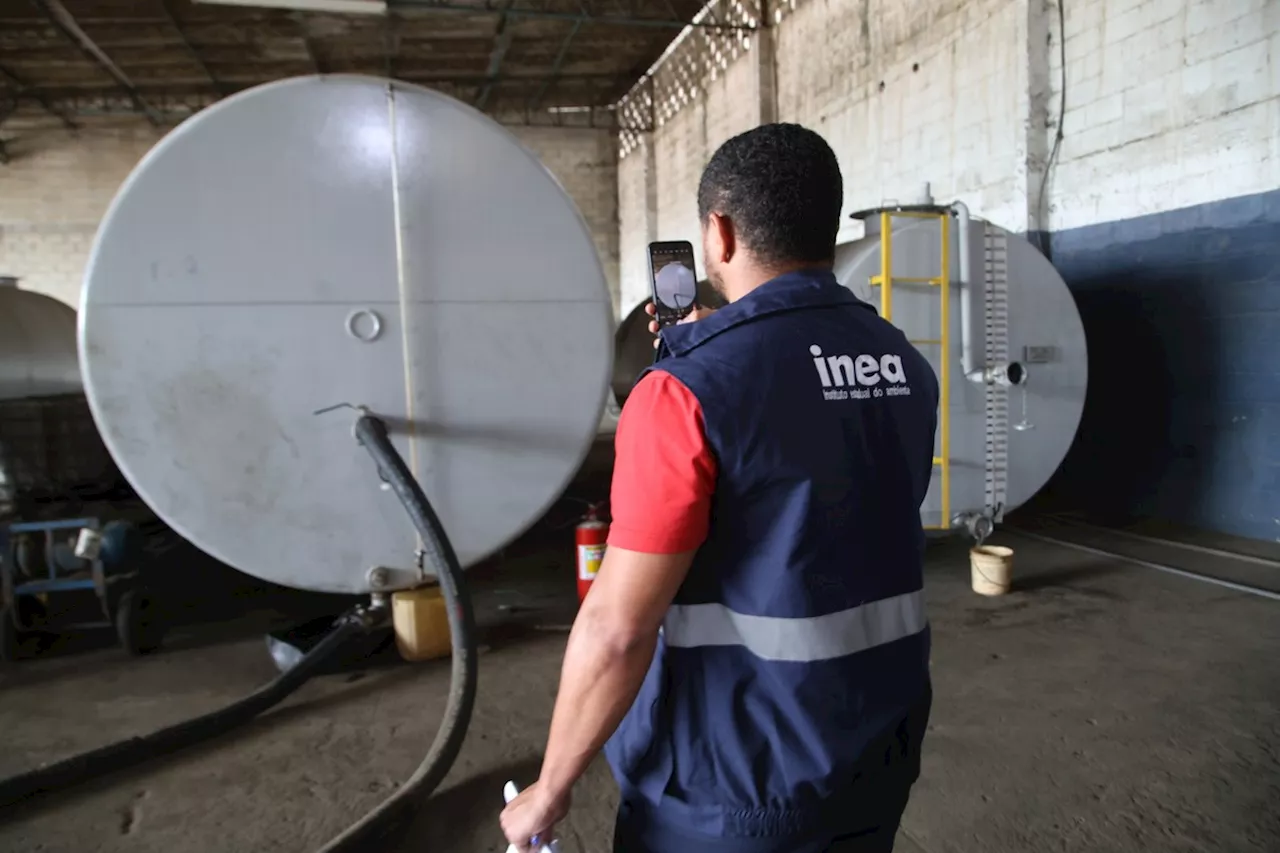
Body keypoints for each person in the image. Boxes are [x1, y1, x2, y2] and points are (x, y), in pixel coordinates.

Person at [501, 123, 939, 853]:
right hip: (877, 749)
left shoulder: (683, 392)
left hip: (734, 788)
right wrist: (728, 342)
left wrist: (549, 787)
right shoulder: (901, 360)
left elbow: (618, 628)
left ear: (719, 232)